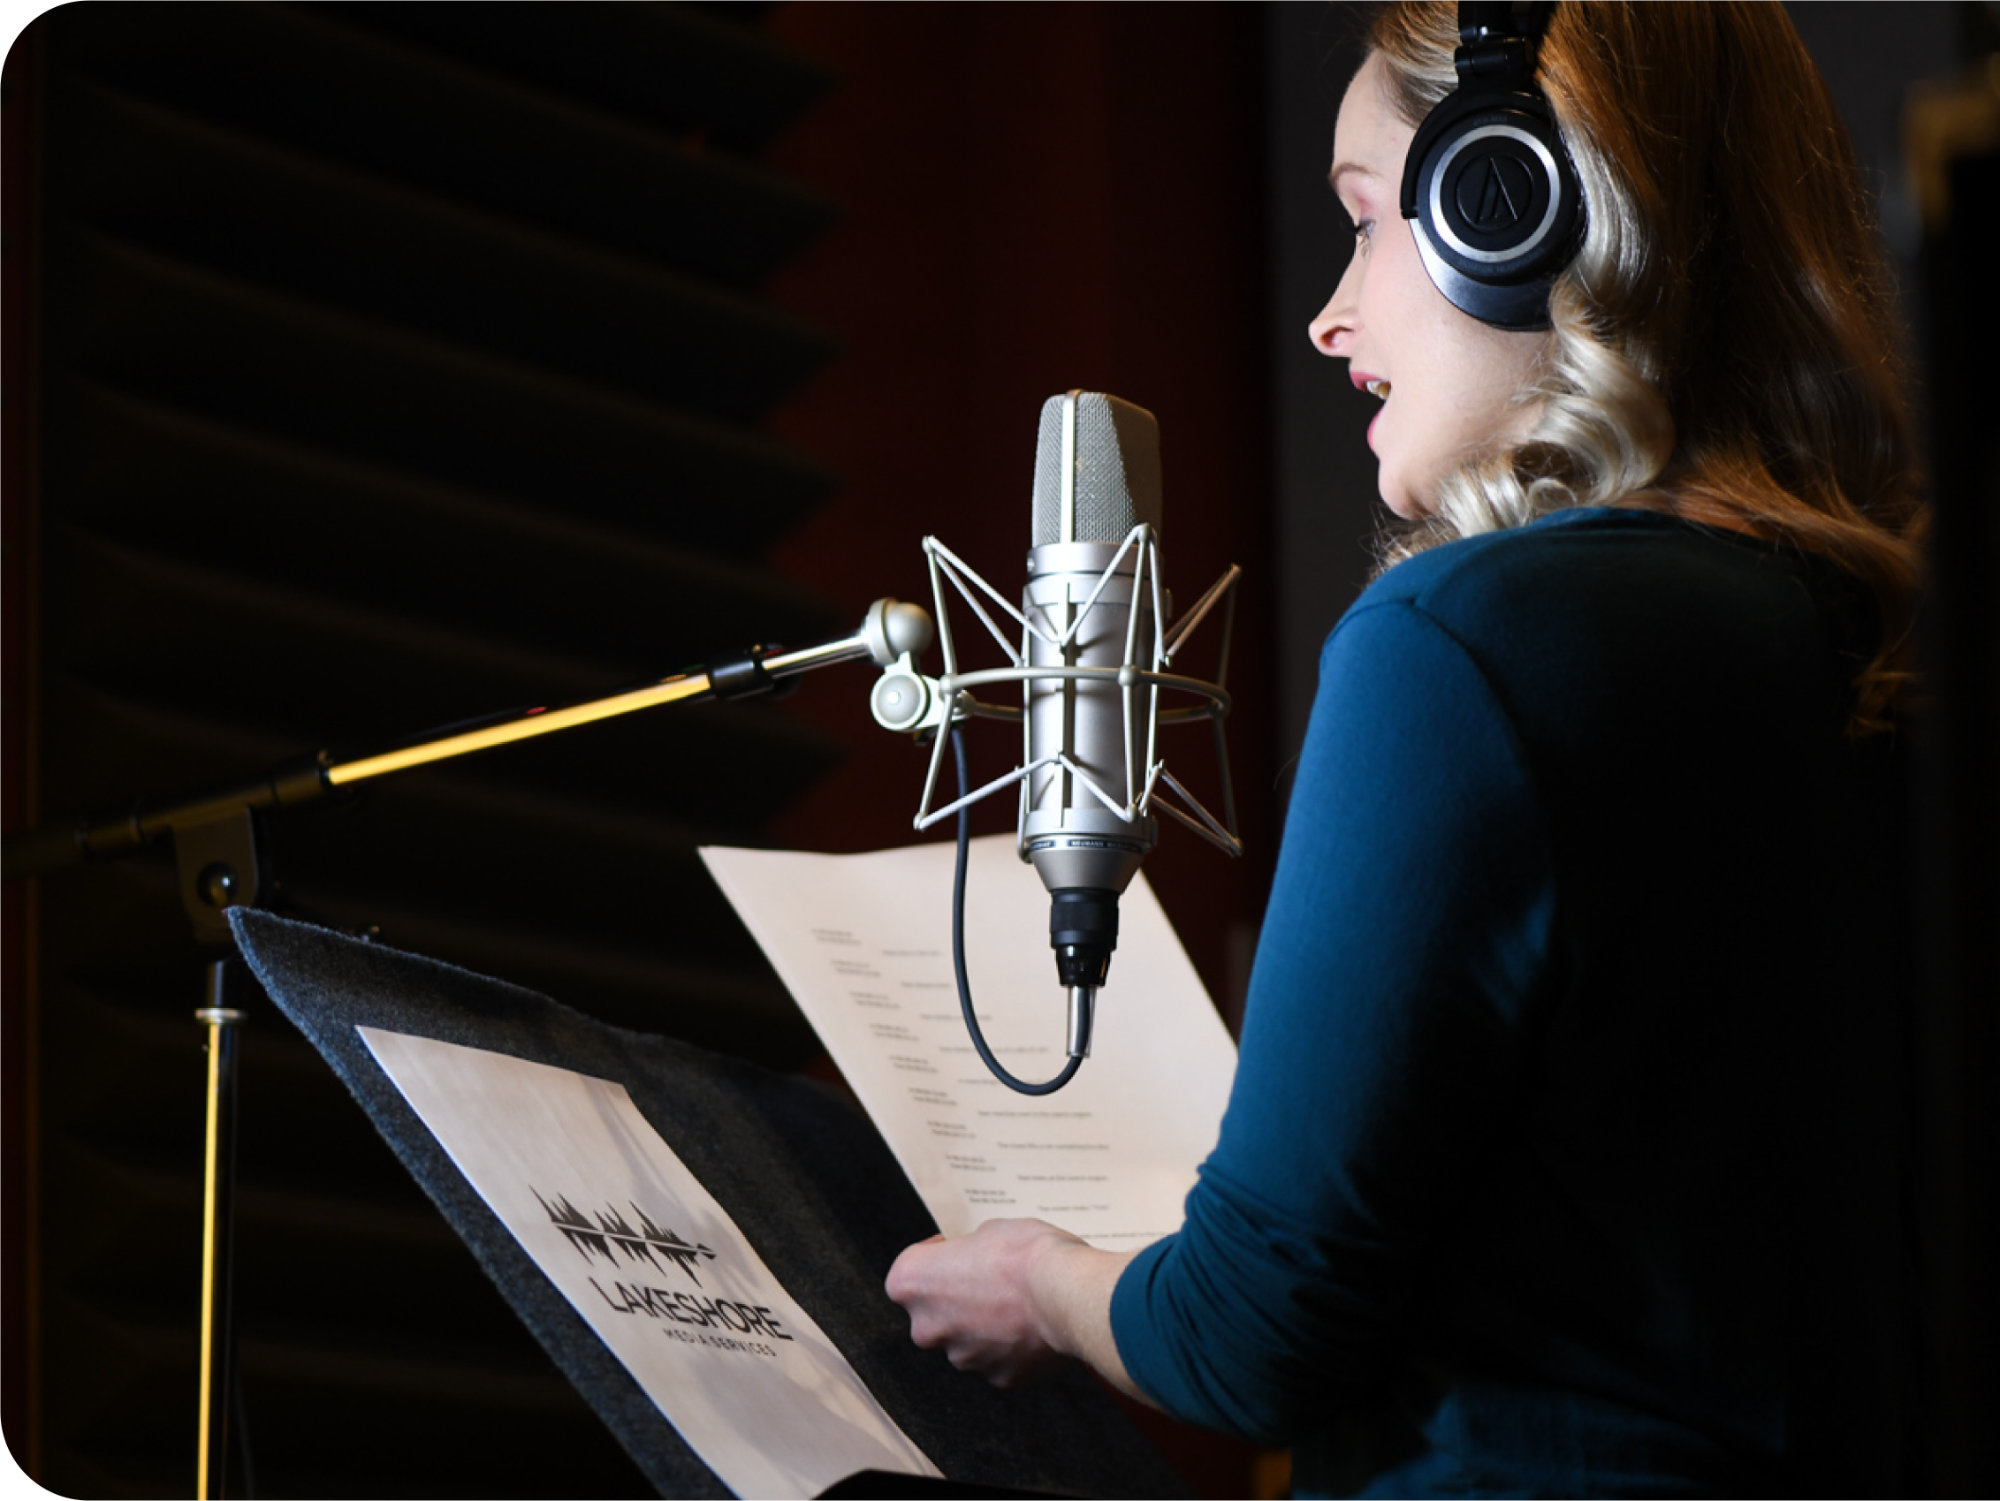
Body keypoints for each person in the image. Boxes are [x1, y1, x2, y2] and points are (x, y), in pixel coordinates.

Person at [885, 3, 1929, 1495]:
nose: (1330, 314)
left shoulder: (1467, 640)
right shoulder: (1877, 637)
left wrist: (1039, 1281)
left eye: (1368, 221)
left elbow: (1250, 1335)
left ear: (1513, 206)